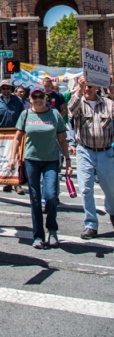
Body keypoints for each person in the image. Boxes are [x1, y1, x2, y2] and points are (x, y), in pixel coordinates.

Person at [9, 85, 72, 249]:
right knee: (35, 199)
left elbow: (63, 139)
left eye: (40, 97)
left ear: (46, 99)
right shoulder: (26, 114)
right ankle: (38, 235)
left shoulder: (55, 114)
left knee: (51, 195)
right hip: (31, 160)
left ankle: (52, 229)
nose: (38, 100)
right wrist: (12, 158)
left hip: (51, 160)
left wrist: (68, 160)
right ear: (30, 100)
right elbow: (17, 138)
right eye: (34, 97)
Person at [68, 77, 114, 239]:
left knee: (110, 189)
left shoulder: (109, 104)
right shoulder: (79, 102)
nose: (87, 89)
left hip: (105, 153)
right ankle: (91, 224)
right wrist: (78, 90)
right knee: (86, 188)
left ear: (96, 87)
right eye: (84, 86)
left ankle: (113, 212)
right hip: (85, 151)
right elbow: (71, 109)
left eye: (89, 86)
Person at [0, 80, 24, 193]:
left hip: (16, 132)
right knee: (4, 157)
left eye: (7, 88)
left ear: (11, 89)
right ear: (0, 90)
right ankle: (7, 182)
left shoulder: (18, 101)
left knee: (17, 158)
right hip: (2, 132)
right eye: (3, 88)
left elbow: (23, 116)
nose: (6, 90)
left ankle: (17, 183)